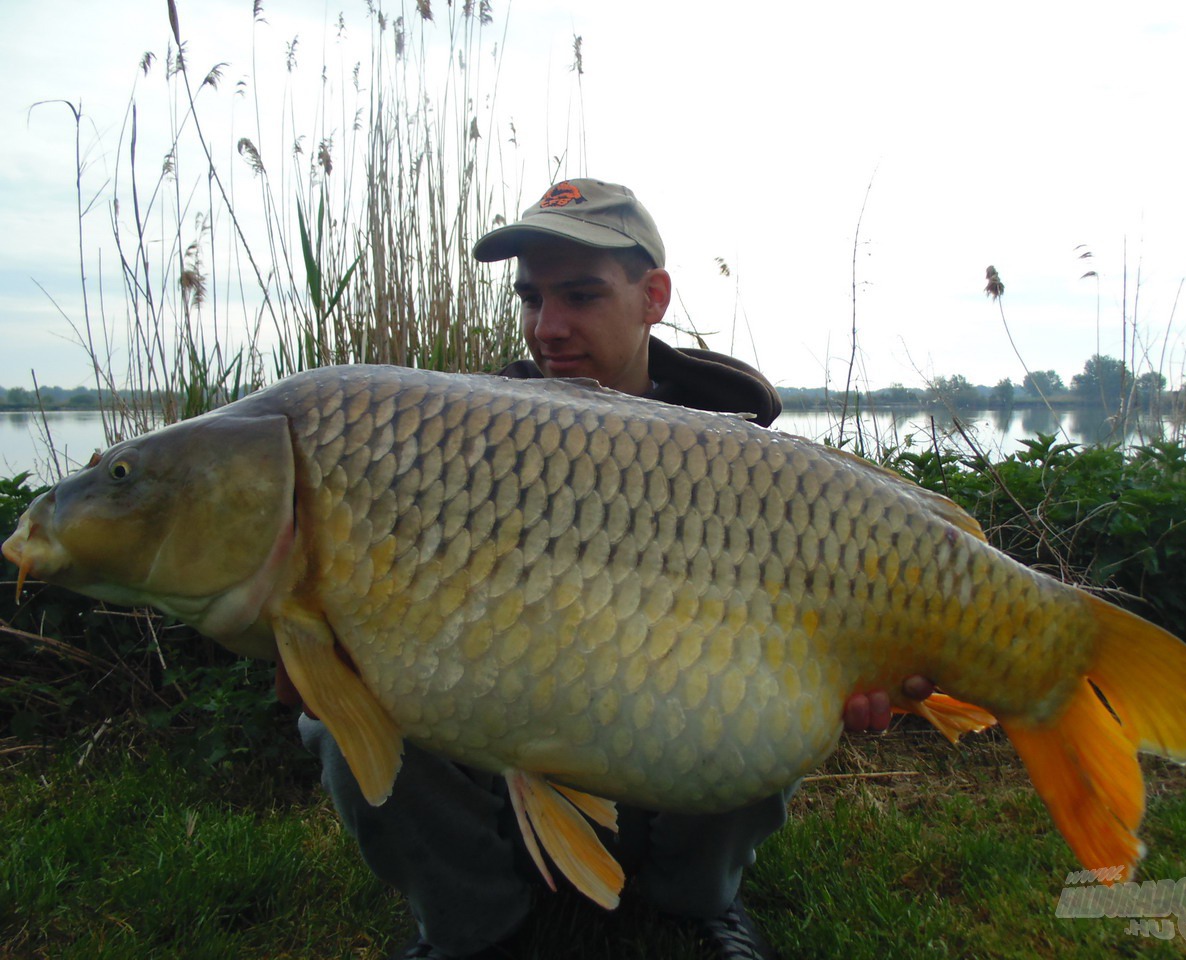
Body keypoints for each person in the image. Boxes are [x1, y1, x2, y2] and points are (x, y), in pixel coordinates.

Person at [296, 179, 933, 960]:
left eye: (581, 295)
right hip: (507, 768)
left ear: (653, 296)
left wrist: (870, 679)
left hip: (679, 774)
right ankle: (473, 923)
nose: (548, 326)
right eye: (531, 298)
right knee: (329, 719)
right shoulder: (462, 445)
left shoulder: (741, 461)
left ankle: (696, 901)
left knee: (773, 676)